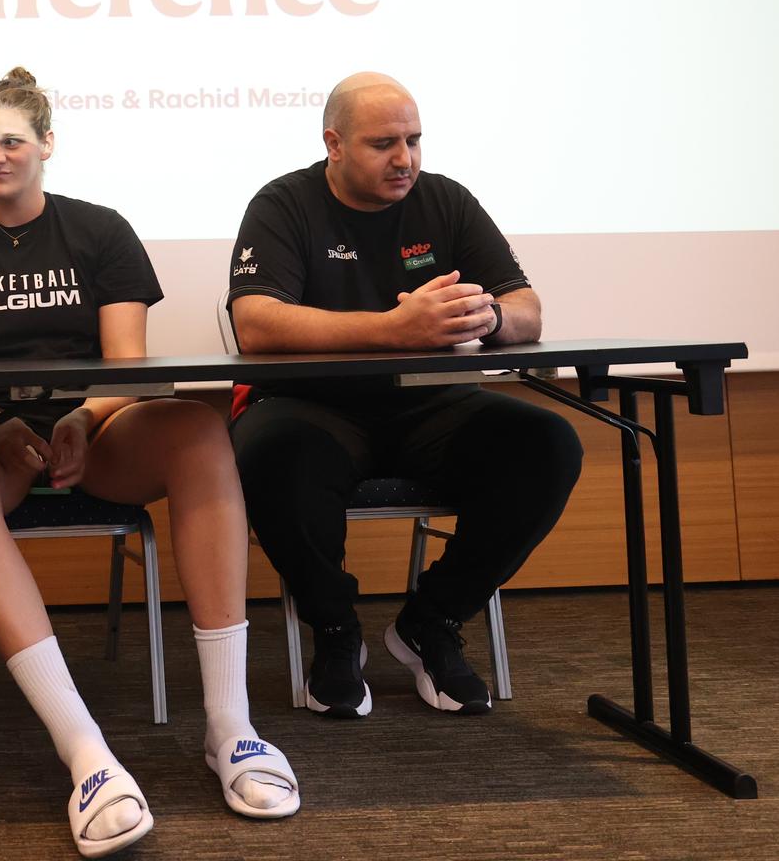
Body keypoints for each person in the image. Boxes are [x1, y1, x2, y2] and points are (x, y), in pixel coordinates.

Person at [0, 67, 298, 859]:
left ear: (47, 145)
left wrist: (84, 415)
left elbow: (126, 370)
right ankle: (86, 755)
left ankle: (231, 729)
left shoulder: (101, 230)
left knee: (194, 428)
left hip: (95, 430)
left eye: (12, 141)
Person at [226, 71, 583, 718]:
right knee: (270, 453)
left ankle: (432, 621)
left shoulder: (445, 201)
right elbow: (255, 322)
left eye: (414, 140)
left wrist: (489, 320)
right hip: (313, 405)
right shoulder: (284, 204)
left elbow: (526, 307)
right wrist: (393, 329)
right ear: (333, 144)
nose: (405, 159)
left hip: (434, 405)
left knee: (547, 444)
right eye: (384, 143)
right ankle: (336, 633)